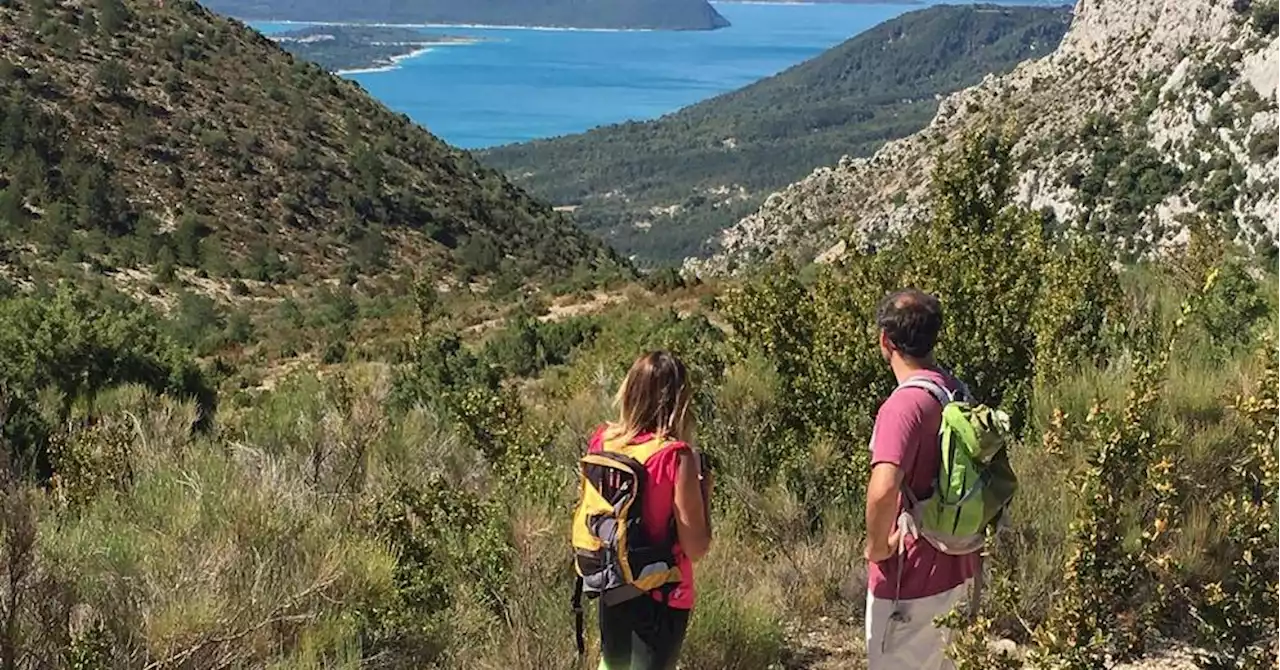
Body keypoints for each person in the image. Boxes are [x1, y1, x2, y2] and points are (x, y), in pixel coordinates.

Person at [863, 289, 978, 670]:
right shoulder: (955, 390)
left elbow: (882, 490)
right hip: (958, 565)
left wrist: (877, 547)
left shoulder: (903, 406)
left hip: (908, 581)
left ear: (885, 340)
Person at [588, 351, 713, 670]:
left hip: (611, 587)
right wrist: (704, 493)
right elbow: (696, 547)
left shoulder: (603, 441)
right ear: (678, 401)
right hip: (662, 598)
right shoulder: (675, 456)